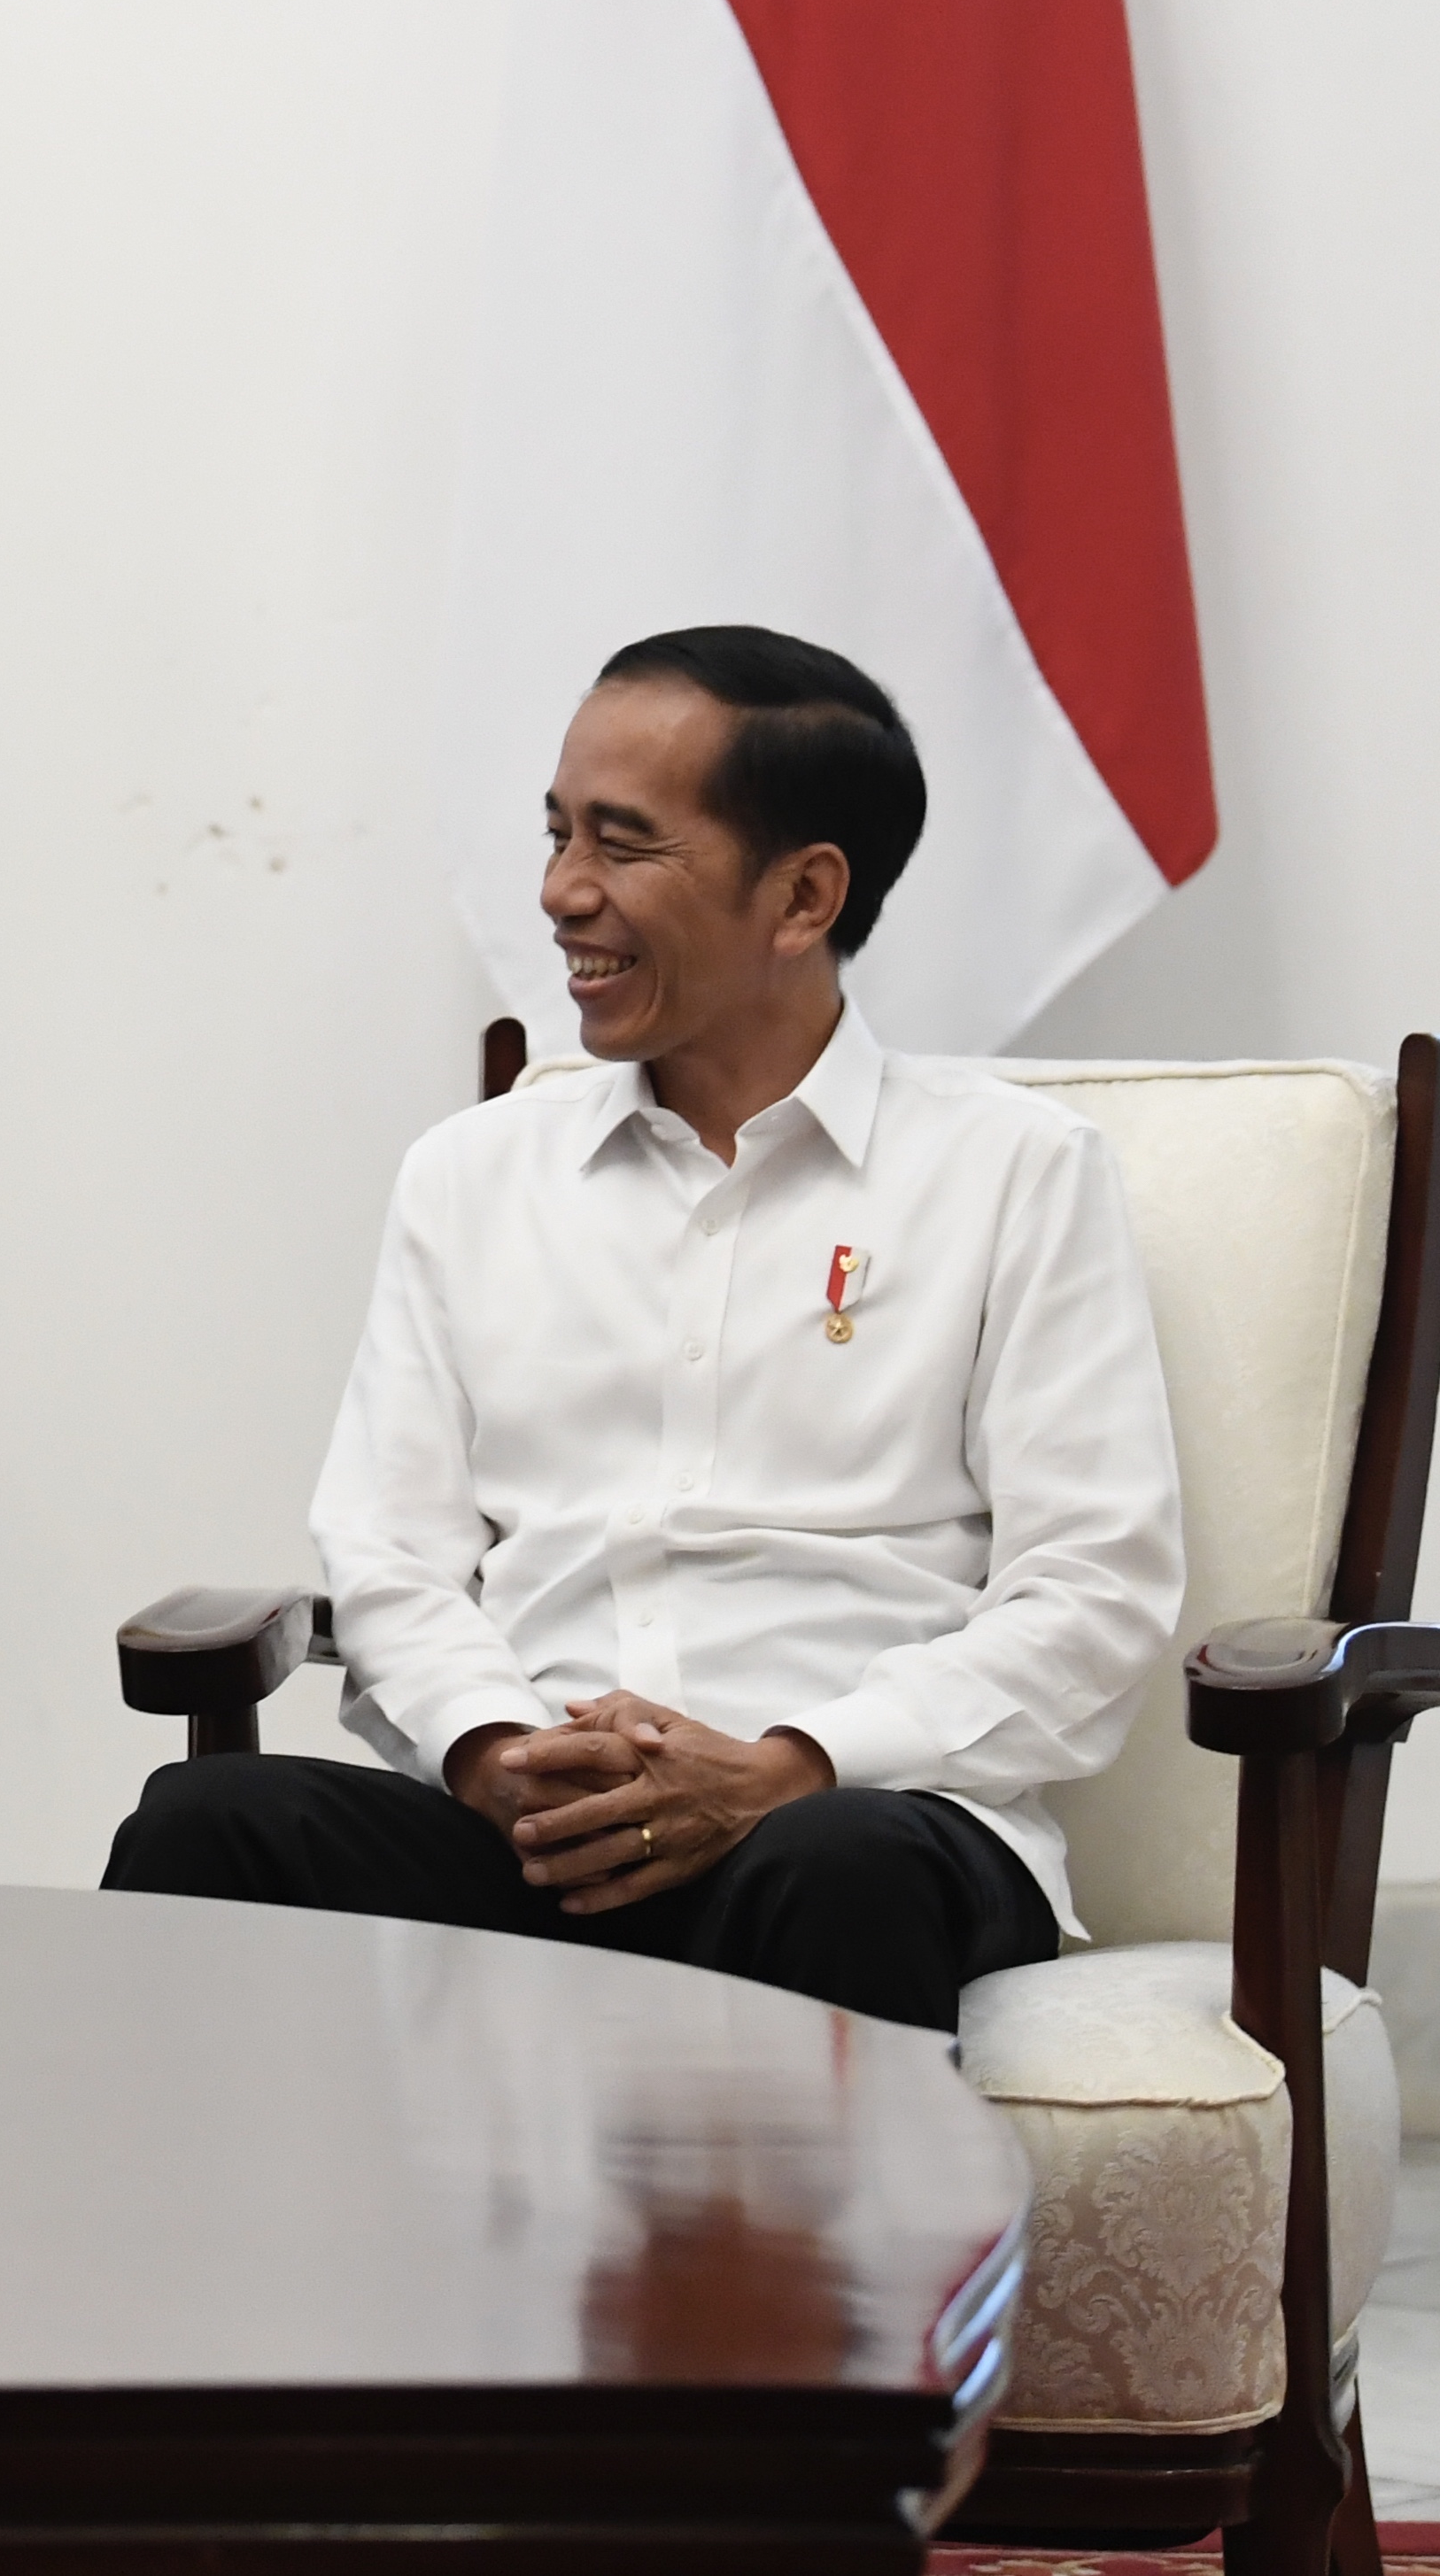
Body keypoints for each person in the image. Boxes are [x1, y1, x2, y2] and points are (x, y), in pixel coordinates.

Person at [101, 625, 1182, 2032]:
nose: (561, 893)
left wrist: (793, 1760)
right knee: (210, 1820)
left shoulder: (1017, 1173)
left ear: (802, 896)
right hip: (531, 1842)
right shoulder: (472, 1173)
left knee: (833, 1865)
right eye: (557, 833)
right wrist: (492, 1752)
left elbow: (1093, 1589)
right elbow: (386, 1551)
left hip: (855, 1821)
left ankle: (816, 2266)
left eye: (623, 844)